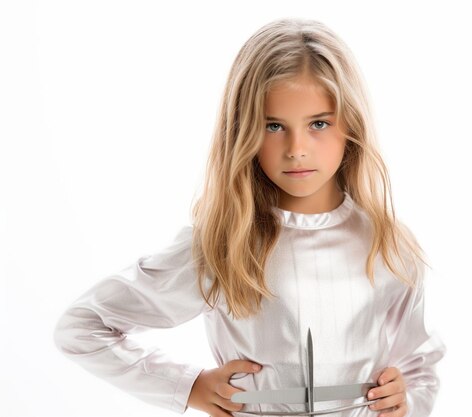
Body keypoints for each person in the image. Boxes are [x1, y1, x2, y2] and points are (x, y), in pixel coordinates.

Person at [53, 17, 446, 417]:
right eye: (273, 125)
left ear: (351, 125)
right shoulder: (224, 245)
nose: (297, 148)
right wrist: (187, 386)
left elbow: (419, 364)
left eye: (318, 124)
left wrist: (406, 400)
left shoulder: (387, 244)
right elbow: (82, 327)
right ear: (243, 130)